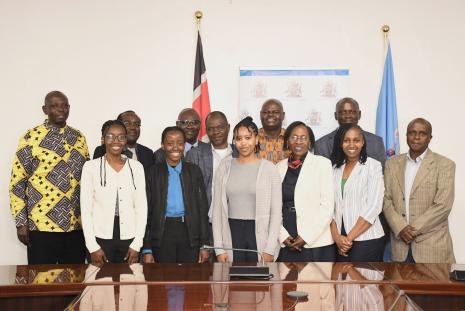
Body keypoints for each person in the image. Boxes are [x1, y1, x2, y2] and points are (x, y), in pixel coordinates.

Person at [9, 91, 90, 264]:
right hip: (41, 225)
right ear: (45, 109)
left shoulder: (79, 138)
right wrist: (21, 222)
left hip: (76, 225)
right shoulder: (31, 137)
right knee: (41, 283)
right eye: (54, 106)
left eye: (64, 105)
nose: (60, 109)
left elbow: (88, 179)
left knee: (74, 283)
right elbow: (18, 182)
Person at [383, 118, 455, 263]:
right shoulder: (391, 164)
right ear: (406, 136)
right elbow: (386, 199)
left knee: (434, 287)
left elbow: (443, 205)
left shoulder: (445, 165)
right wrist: (400, 227)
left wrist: (412, 230)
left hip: (432, 247)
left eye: (422, 134)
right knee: (400, 286)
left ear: (430, 138)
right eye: (412, 133)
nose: (416, 137)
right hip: (400, 246)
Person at [212, 117, 282, 263]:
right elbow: (217, 211)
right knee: (233, 282)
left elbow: (276, 213)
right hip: (231, 233)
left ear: (256, 139)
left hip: (258, 236)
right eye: (238, 138)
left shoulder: (270, 169)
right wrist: (219, 249)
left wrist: (269, 248)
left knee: (259, 283)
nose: (243, 143)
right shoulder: (224, 168)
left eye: (248, 138)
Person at [80, 120, 147, 264]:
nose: (116, 141)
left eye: (121, 136)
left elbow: (141, 208)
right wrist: (92, 246)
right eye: (110, 136)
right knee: (100, 284)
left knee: (129, 284)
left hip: (129, 238)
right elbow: (85, 210)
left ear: (126, 139)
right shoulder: (90, 167)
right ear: (103, 140)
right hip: (100, 238)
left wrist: (137, 244)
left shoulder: (137, 167)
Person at [143, 126, 210, 263]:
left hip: (189, 232)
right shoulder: (153, 173)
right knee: (164, 279)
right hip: (162, 233)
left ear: (184, 145)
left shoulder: (194, 171)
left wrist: (204, 245)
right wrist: (147, 248)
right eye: (170, 143)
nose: (175, 147)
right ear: (162, 145)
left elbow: (202, 209)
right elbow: (147, 211)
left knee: (189, 279)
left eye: (180, 143)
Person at [276, 121, 336, 262]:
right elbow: (273, 207)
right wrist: (282, 236)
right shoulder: (279, 167)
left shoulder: (322, 164)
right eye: (294, 137)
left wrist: (306, 237)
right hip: (287, 239)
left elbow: (327, 208)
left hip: (316, 240)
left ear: (309, 142)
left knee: (314, 283)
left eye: (303, 138)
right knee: (286, 282)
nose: (298, 142)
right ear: (287, 141)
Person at [330, 124, 385, 262]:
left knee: (364, 283)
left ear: (363, 142)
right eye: (346, 140)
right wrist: (337, 238)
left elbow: (374, 206)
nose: (351, 144)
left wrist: (348, 239)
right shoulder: (334, 168)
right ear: (340, 143)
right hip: (339, 240)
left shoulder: (373, 166)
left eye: (356, 140)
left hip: (366, 239)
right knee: (341, 283)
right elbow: (329, 205)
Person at [186, 111, 232, 244]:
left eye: (220, 127)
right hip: (205, 225)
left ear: (228, 127)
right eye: (211, 129)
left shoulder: (238, 153)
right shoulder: (194, 154)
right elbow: (190, 194)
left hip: (233, 226)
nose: (215, 132)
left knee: (231, 264)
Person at [314, 97, 386, 167]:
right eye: (343, 112)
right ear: (336, 116)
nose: (348, 116)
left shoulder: (376, 142)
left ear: (359, 114)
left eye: (352, 112)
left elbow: (380, 173)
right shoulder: (321, 145)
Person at [257, 98, 289, 164]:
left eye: (276, 112)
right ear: (260, 115)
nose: (270, 115)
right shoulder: (252, 138)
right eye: (266, 112)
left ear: (283, 115)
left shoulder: (290, 138)